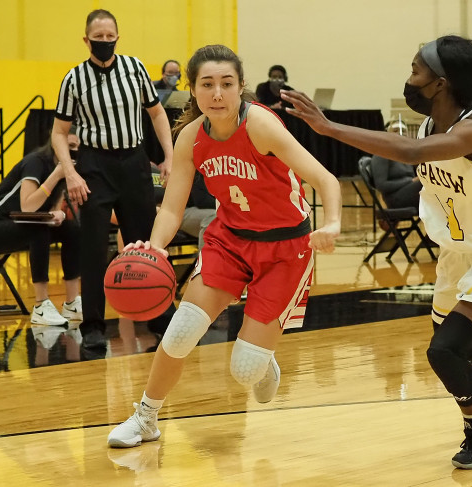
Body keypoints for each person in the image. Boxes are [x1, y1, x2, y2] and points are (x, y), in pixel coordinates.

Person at [283, 35, 472, 470]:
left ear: (440, 83)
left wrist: (328, 128)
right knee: (461, 341)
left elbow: (412, 153)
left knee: (445, 350)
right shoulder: (428, 125)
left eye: (415, 71)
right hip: (457, 255)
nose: (409, 79)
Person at [107, 44, 342, 448]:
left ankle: (264, 362)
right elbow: (171, 208)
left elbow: (326, 179)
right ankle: (145, 417)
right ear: (193, 91)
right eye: (207, 84)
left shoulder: (261, 126)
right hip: (229, 241)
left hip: (285, 248)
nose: (217, 93)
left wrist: (334, 223)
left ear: (240, 88)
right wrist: (155, 246)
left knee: (245, 370)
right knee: (180, 333)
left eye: (226, 84)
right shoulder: (190, 139)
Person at [50, 9, 175, 352]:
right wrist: (71, 172)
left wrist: (169, 156)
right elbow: (59, 133)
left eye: (110, 36)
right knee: (92, 246)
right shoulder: (74, 79)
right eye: (98, 37)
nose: (105, 42)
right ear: (86, 39)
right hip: (94, 166)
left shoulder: (134, 68)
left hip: (134, 162)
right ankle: (92, 324)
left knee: (147, 242)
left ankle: (161, 315)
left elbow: (157, 113)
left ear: (118, 37)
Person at [0, 135, 82, 326]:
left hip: (19, 226)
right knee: (38, 230)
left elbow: (51, 210)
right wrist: (56, 175)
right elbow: (28, 207)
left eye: (77, 147)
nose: (73, 151)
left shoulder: (65, 170)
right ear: (57, 144)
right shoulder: (36, 163)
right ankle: (40, 305)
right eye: (69, 146)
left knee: (71, 228)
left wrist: (60, 216)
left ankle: (72, 303)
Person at [371, 120, 421, 209]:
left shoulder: (406, 153)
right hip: (394, 198)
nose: (400, 133)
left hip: (410, 192)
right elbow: (381, 185)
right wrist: (410, 181)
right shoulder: (382, 154)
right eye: (395, 130)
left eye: (403, 130)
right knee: (424, 184)